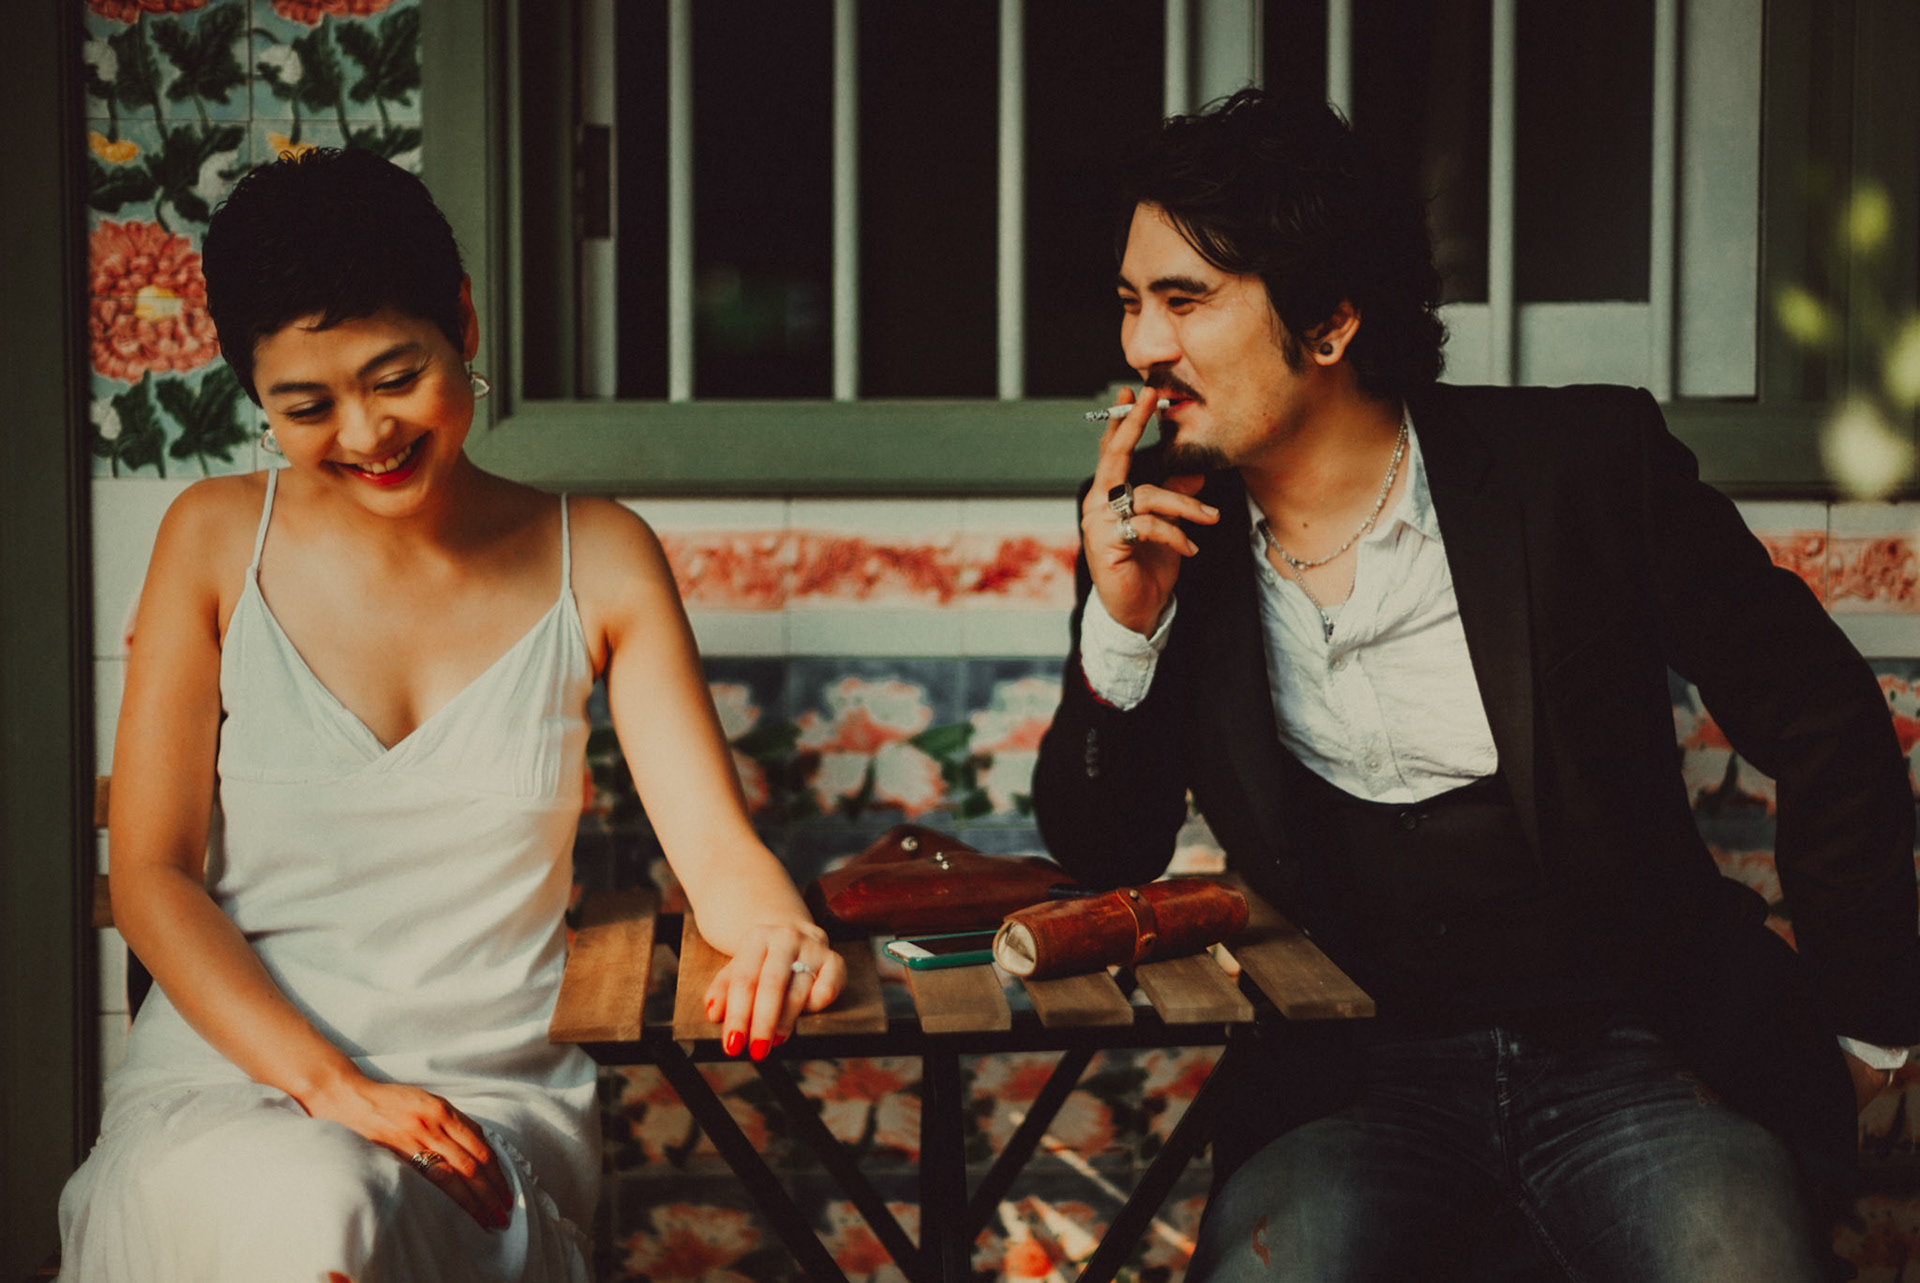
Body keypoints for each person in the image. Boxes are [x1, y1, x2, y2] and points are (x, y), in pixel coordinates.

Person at [1031, 89, 1920, 1282]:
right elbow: (1107, 849)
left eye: (1185, 301)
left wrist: (1871, 1027)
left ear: (1331, 322)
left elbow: (1822, 712)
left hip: (1640, 1053)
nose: (1143, 345)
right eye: (1132, 300)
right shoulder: (1160, 521)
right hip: (1354, 1077)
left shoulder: (1582, 469)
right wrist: (1126, 625)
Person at [57, 147, 842, 1282]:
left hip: (483, 1095)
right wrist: (333, 1087)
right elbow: (153, 876)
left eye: (396, 376)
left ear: (462, 321)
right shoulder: (214, 538)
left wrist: (776, 929)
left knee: (337, 1207)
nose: (367, 433)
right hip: (229, 1081)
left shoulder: (600, 556)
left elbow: (716, 850)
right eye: (307, 406)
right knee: (313, 1201)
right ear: (257, 398)